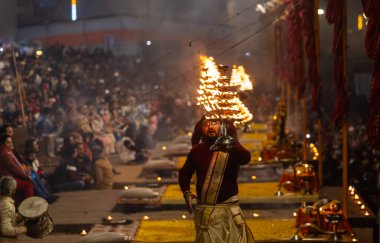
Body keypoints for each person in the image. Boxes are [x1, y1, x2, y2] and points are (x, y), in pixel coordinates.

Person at [179, 117, 255, 243]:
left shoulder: (230, 146)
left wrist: (231, 145)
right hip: (206, 214)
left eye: (214, 123)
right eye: (206, 124)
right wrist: (186, 192)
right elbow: (184, 173)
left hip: (229, 212)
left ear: (222, 125)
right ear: (201, 128)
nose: (210, 127)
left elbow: (246, 158)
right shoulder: (197, 151)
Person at [0, 135, 34, 205]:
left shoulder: (9, 152)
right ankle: (28, 207)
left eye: (11, 142)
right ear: (3, 144)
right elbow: (15, 170)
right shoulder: (5, 155)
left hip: (12, 178)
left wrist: (26, 174)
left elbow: (18, 167)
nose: (10, 144)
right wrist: (26, 177)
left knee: (31, 178)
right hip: (7, 180)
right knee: (28, 184)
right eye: (8, 143)